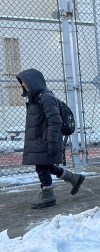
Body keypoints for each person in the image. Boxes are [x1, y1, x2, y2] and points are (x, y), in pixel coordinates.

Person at [17, 68, 86, 209]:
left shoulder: (46, 97)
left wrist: (52, 142)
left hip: (46, 140)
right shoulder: (36, 98)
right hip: (40, 140)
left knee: (42, 168)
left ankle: (48, 196)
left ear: (33, 81)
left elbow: (55, 121)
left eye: (24, 82)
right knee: (46, 166)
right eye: (22, 83)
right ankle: (74, 178)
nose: (23, 85)